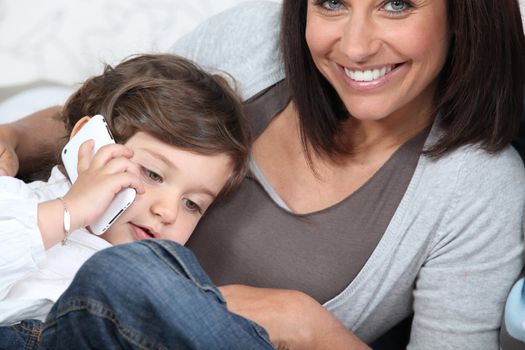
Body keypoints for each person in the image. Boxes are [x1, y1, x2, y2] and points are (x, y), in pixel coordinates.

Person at [0, 0, 524, 348]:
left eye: (396, 4)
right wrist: (17, 140)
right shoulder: (259, 38)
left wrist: (308, 326)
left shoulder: (478, 190)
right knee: (128, 272)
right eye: (332, 2)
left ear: (465, 14)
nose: (356, 46)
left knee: (130, 272)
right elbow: (123, 108)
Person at [0, 53, 250, 349]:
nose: (167, 212)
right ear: (89, 144)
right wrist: (70, 211)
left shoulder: (158, 276)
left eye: (192, 204)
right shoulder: (16, 200)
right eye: (153, 174)